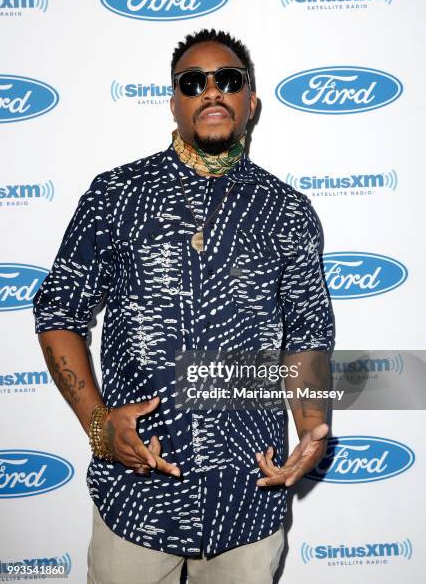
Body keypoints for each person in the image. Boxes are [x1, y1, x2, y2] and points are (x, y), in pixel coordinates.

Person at [33, 29, 335, 584]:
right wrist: (98, 425)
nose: (212, 91)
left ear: (251, 102)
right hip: (135, 499)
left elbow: (308, 336)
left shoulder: (288, 212)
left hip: (248, 499)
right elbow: (58, 314)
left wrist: (312, 428)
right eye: (193, 82)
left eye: (229, 80)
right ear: (175, 102)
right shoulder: (116, 196)